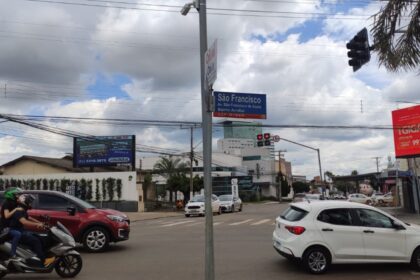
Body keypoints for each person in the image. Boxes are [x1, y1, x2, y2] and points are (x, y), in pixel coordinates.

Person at [8, 194, 55, 267]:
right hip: (17, 231)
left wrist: (41, 223)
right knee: (35, 241)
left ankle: (37, 256)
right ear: (24, 202)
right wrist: (37, 225)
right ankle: (44, 261)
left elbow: (29, 218)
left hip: (21, 231)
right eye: (29, 202)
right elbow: (24, 222)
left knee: (39, 237)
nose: (31, 204)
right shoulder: (19, 211)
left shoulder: (22, 210)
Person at [0, 187, 24, 260]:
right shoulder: (7, 203)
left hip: (12, 225)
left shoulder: (15, 202)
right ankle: (12, 254)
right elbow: (7, 216)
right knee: (17, 234)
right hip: (5, 227)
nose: (19, 196)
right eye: (17, 195)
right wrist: (16, 209)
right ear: (11, 195)